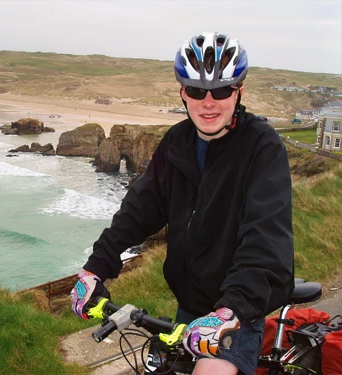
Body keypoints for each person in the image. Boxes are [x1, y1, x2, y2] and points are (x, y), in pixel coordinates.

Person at [71, 32, 294, 375]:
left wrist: (231, 310)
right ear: (182, 94)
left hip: (237, 310)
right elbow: (140, 208)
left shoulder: (262, 146)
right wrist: (95, 267)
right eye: (196, 91)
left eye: (221, 90)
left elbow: (265, 235)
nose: (209, 102)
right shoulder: (177, 140)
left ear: (239, 93)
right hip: (190, 305)